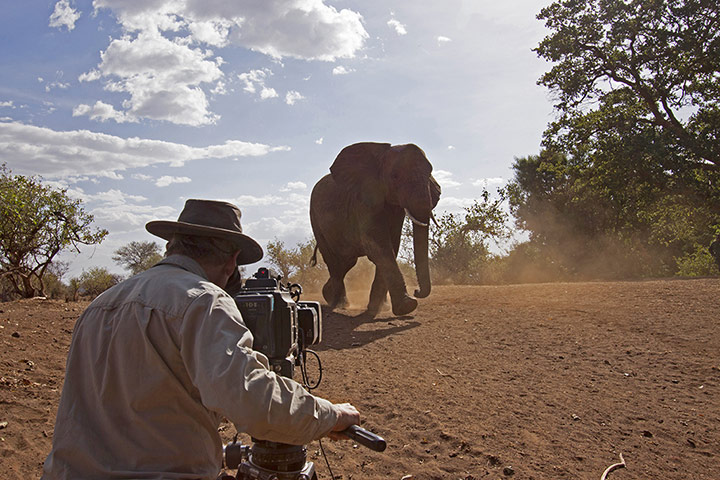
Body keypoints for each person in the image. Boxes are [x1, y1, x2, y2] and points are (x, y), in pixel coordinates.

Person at [42, 199, 360, 479]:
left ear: (173, 245)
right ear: (232, 260)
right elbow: (252, 401)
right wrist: (330, 416)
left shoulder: (100, 305)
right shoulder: (203, 300)